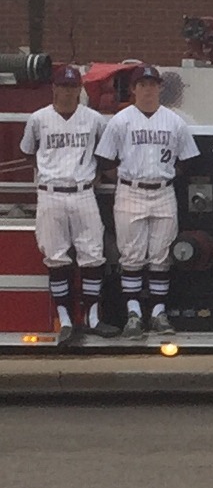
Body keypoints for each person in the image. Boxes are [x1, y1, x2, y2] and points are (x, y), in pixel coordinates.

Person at [95, 63, 197, 339]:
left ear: (160, 88)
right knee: (132, 256)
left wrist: (166, 176)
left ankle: (158, 313)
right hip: (131, 191)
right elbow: (105, 160)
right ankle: (134, 314)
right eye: (143, 85)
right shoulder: (121, 120)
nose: (148, 89)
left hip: (163, 191)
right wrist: (125, 177)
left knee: (161, 256)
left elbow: (188, 160)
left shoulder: (174, 121)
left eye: (152, 84)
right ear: (133, 89)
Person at [21, 64, 111, 343]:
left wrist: (94, 173)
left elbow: (106, 154)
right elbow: (28, 152)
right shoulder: (38, 119)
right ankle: (66, 320)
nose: (69, 92)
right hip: (50, 193)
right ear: (54, 88)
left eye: (73, 87)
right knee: (56, 257)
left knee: (92, 255)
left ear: (79, 89)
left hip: (83, 191)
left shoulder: (94, 119)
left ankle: (92, 317)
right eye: (64, 86)